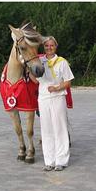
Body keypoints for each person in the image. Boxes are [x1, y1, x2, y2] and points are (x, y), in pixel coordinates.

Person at [37, 36, 74, 171]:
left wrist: (57, 87)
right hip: (43, 98)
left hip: (58, 97)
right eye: (46, 46)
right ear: (44, 47)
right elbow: (36, 81)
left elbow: (68, 81)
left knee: (59, 128)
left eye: (51, 45)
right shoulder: (39, 61)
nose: (49, 48)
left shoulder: (62, 62)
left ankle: (61, 161)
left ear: (56, 47)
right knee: (46, 129)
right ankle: (49, 160)